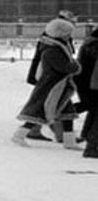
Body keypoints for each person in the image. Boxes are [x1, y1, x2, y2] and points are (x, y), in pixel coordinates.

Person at [11, 17, 81, 149]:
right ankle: (19, 135)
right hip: (51, 87)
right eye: (67, 33)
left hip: (59, 86)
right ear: (60, 33)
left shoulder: (57, 47)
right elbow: (64, 67)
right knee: (39, 113)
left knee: (67, 114)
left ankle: (69, 141)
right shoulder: (52, 50)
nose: (69, 36)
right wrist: (75, 66)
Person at [77, 25, 98, 158]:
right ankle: (92, 145)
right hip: (92, 83)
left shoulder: (89, 44)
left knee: (94, 110)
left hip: (88, 83)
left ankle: (87, 136)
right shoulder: (95, 46)